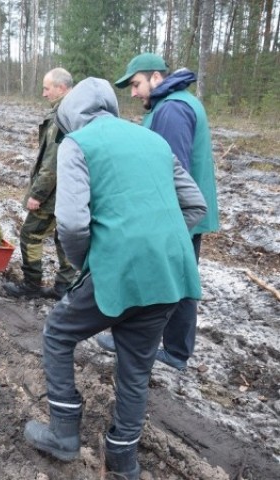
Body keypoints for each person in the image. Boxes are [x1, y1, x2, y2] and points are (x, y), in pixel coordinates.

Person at [22, 77, 207, 480]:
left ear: (70, 115)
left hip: (117, 268)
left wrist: (93, 261)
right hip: (170, 274)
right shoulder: (153, 141)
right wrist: (160, 244)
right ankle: (124, 460)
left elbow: (71, 224)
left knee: (57, 332)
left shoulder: (77, 144)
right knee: (136, 368)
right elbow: (195, 205)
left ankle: (64, 434)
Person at [95, 53, 220, 371]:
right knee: (176, 276)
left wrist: (156, 218)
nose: (133, 93)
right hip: (183, 213)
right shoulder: (175, 102)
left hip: (177, 214)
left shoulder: (173, 110)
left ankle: (171, 350)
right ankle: (169, 347)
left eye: (136, 84)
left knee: (171, 278)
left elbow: (170, 169)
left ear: (155, 77)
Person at [3, 67, 76, 300]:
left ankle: (32, 285)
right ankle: (65, 287)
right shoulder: (78, 111)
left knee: (30, 235)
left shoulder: (62, 117)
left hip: (55, 193)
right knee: (64, 236)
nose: (44, 94)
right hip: (74, 192)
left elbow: (53, 162)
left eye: (47, 88)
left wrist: (37, 194)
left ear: (61, 88)